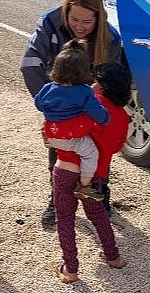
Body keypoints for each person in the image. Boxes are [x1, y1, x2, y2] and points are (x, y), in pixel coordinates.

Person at [20, 0, 123, 225]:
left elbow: (111, 77)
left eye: (87, 22)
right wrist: (52, 105)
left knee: (99, 147)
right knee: (61, 148)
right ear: (66, 11)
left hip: (93, 99)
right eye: (74, 19)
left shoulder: (111, 39)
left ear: (99, 18)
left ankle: (99, 193)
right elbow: (30, 63)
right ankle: (58, 199)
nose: (79, 26)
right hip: (61, 98)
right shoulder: (49, 22)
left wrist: (94, 103)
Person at [52, 62, 132, 284]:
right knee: (98, 215)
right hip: (96, 174)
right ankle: (113, 257)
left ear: (103, 85)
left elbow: (66, 130)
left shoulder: (90, 103)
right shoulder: (123, 115)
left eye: (95, 80)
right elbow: (117, 146)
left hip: (67, 169)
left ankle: (70, 269)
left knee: (65, 218)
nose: (91, 84)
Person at [34, 39, 109, 190]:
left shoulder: (48, 88)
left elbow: (38, 104)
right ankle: (85, 184)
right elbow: (96, 113)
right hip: (70, 136)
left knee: (63, 152)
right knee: (90, 152)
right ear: (83, 71)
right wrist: (105, 117)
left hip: (51, 134)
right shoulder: (84, 91)